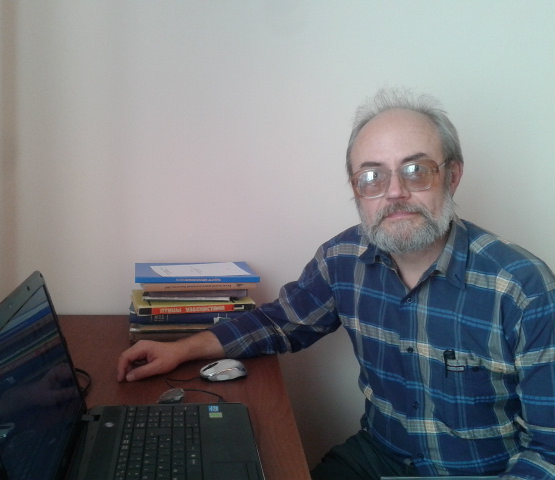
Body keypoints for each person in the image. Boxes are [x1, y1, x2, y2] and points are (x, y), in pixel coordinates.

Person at [117, 89, 555, 479]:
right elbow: (280, 322)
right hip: (377, 458)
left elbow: (549, 454)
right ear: (356, 189)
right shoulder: (343, 259)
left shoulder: (523, 289)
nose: (395, 192)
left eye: (416, 170)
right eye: (372, 177)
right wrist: (181, 350)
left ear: (453, 175)